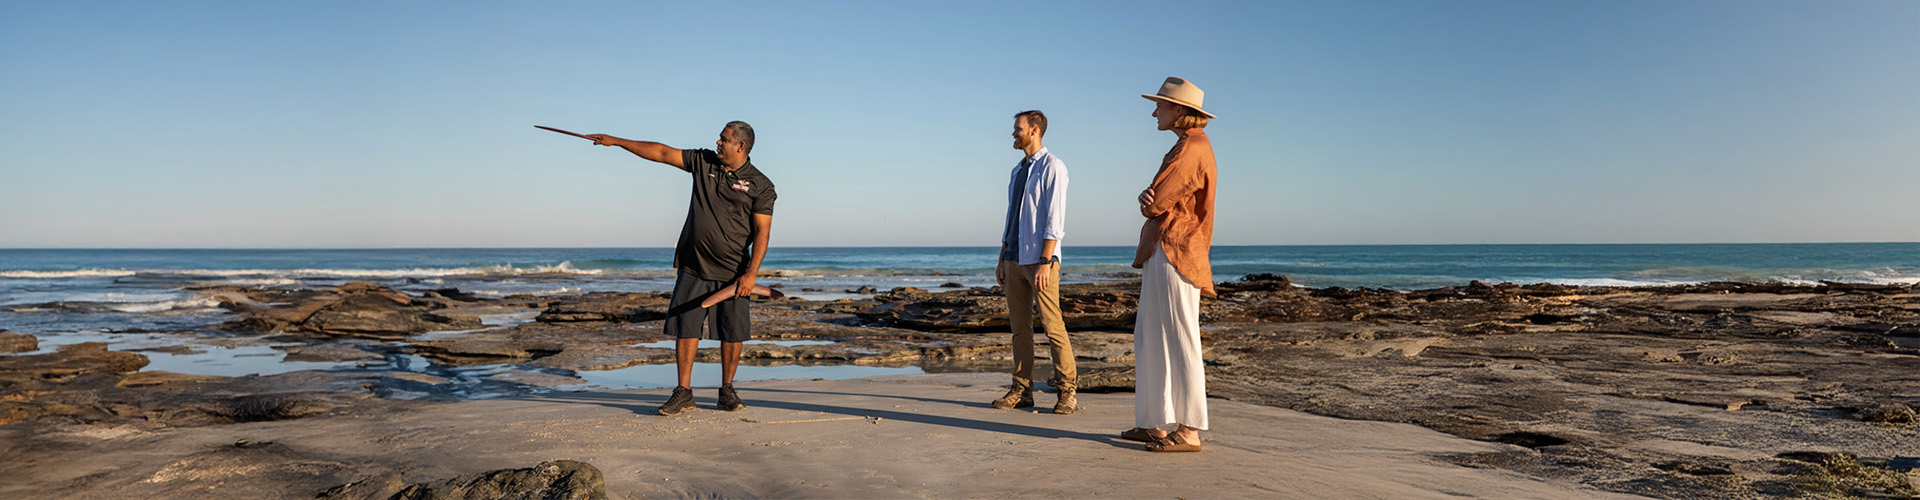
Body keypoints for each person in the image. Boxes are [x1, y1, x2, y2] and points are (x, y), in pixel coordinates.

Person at [584, 122, 777, 415]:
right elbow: (662, 153)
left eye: (724, 139)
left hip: (734, 271)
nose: (718, 142)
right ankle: (683, 393)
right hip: (693, 263)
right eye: (720, 138)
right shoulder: (703, 162)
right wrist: (616, 141)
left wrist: (751, 274)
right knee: (686, 328)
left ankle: (727, 391)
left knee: (732, 332)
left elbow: (762, 232)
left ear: (741, 146)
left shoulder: (761, 185)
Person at [1121, 77, 1217, 452]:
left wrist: (1149, 200)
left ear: (1179, 110)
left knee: (1179, 338)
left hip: (1177, 249)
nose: (1154, 111)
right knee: (1151, 337)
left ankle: (1190, 429)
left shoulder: (1192, 147)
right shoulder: (1187, 145)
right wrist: (1152, 200)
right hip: (1167, 247)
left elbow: (1156, 201)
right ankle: (1153, 422)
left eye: (1160, 105)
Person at [991, 110, 1078, 414]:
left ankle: (1067, 392)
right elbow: (1011, 217)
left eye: (1018, 129)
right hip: (1013, 258)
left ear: (1035, 129)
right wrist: (1002, 257)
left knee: (1053, 327)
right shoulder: (1017, 171)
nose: (1014, 134)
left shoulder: (1053, 166)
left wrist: (1045, 259)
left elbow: (1055, 217)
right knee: (1020, 329)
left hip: (1040, 260)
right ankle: (1022, 390)